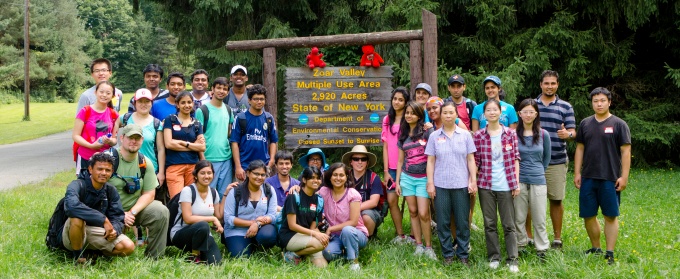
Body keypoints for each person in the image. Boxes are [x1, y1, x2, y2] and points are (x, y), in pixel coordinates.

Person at [574, 87, 631, 265]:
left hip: (610, 178)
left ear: (609, 102)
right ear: (592, 103)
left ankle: (610, 252)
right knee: (588, 215)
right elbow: (580, 148)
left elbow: (626, 151)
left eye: (602, 101)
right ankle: (596, 248)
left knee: (610, 216)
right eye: (595, 101)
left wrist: (624, 176)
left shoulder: (619, 124)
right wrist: (577, 172)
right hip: (588, 177)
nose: (599, 104)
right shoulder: (585, 123)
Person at [425, 101, 477, 266]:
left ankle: (463, 254)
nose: (448, 115)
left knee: (462, 222)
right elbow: (431, 161)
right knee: (443, 222)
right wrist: (430, 183)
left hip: (461, 184)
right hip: (441, 185)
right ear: (441, 115)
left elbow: (470, 159)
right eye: (445, 113)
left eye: (450, 112)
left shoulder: (465, 135)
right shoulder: (434, 136)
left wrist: (473, 181)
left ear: (456, 115)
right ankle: (447, 254)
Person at [107, 124, 169, 259]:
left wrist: (131, 213)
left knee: (161, 211)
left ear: (142, 140)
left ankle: (155, 257)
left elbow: (149, 194)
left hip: (133, 210)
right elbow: (96, 193)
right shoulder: (108, 159)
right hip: (108, 210)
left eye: (137, 138)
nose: (134, 141)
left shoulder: (145, 163)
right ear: (122, 138)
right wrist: (120, 214)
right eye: (130, 138)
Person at [473, 99, 520, 273]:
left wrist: (516, 183)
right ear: (484, 115)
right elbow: (475, 161)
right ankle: (494, 257)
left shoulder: (510, 133)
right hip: (486, 185)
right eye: (489, 110)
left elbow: (516, 158)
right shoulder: (478, 135)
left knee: (509, 224)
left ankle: (513, 259)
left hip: (506, 184)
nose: (492, 112)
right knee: (489, 223)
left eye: (495, 110)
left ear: (501, 113)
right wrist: (473, 180)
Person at [62, 152, 135, 265]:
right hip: (71, 232)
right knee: (77, 218)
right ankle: (78, 258)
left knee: (128, 247)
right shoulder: (77, 185)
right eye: (99, 169)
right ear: (90, 169)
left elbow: (118, 216)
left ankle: (94, 253)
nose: (103, 173)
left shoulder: (111, 190)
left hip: (95, 232)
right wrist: (103, 219)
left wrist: (115, 230)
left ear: (112, 172)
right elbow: (71, 207)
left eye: (107, 170)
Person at [535, 70, 576, 249]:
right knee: (530, 200)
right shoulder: (532, 106)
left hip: (557, 159)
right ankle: (529, 237)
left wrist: (568, 134)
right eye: (546, 83)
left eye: (553, 83)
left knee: (556, 199)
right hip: (533, 161)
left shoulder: (565, 107)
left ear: (557, 85)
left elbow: (573, 131)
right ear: (541, 85)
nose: (549, 86)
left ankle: (557, 238)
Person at [395, 102, 436, 260]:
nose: (409, 115)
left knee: (424, 213)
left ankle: (428, 246)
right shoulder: (403, 135)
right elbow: (400, 161)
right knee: (412, 212)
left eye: (412, 113)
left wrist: (430, 128)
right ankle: (418, 245)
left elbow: (433, 155)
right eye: (407, 113)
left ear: (419, 115)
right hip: (407, 178)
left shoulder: (426, 132)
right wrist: (398, 182)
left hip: (423, 179)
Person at [513, 99, 551, 259]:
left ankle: (541, 248)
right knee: (519, 217)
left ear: (536, 114)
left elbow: (546, 158)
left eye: (531, 112)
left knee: (539, 217)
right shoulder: (513, 134)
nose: (528, 115)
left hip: (538, 180)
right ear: (519, 114)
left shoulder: (543, 134)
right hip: (518, 181)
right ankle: (520, 245)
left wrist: (538, 172)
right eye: (524, 112)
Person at [170, 160, 224, 265]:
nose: (206, 176)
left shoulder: (213, 192)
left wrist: (226, 194)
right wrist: (212, 219)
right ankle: (194, 256)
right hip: (181, 234)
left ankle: (195, 250)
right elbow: (188, 218)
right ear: (195, 175)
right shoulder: (188, 191)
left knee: (215, 262)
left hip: (204, 235)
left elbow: (219, 216)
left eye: (209, 173)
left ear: (213, 174)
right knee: (203, 225)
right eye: (202, 173)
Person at [223, 160, 278, 257]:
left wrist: (257, 224)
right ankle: (241, 244)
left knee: (269, 236)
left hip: (261, 227)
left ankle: (258, 244)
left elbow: (273, 215)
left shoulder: (269, 190)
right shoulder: (236, 191)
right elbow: (228, 218)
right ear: (248, 173)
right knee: (240, 256)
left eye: (262, 175)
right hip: (237, 230)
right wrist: (251, 223)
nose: (259, 177)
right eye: (256, 174)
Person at [319, 163, 369, 271]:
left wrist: (331, 228)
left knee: (347, 230)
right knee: (328, 253)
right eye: (335, 175)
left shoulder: (352, 194)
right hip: (336, 236)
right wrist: (298, 188)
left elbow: (353, 222)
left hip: (355, 233)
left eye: (341, 175)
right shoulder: (324, 191)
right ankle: (346, 256)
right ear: (330, 176)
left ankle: (354, 263)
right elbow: (308, 195)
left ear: (346, 177)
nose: (338, 178)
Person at [279, 166, 329, 267]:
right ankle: (291, 254)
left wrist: (323, 236)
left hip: (306, 236)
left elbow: (313, 227)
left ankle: (298, 255)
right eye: (312, 178)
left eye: (318, 178)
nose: (316, 181)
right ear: (304, 180)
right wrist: (316, 235)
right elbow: (292, 225)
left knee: (323, 267)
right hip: (289, 236)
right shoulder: (294, 196)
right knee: (319, 244)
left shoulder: (319, 200)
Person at [381, 87, 413, 244]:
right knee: (392, 200)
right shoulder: (387, 119)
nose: (397, 102)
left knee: (412, 202)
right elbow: (385, 147)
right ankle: (400, 235)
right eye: (395, 98)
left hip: (409, 166)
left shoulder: (410, 118)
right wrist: (386, 171)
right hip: (392, 169)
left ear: (406, 102)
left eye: (401, 100)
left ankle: (414, 236)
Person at [230, 84, 278, 181]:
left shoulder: (269, 118)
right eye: (256, 99)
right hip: (245, 167)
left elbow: (273, 141)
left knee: (263, 195)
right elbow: (234, 142)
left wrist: (272, 160)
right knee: (243, 195)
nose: (259, 102)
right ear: (249, 100)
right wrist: (238, 167)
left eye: (262, 99)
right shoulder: (241, 118)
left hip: (263, 167)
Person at [196, 77, 235, 197]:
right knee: (208, 193)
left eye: (224, 89)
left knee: (224, 194)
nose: (221, 91)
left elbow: (229, 133)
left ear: (228, 92)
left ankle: (221, 216)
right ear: (212, 89)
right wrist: (202, 159)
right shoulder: (202, 110)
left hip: (226, 158)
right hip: (209, 158)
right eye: (218, 88)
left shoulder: (228, 110)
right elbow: (198, 137)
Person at [162, 91, 206, 198]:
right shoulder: (170, 120)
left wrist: (183, 143)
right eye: (183, 103)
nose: (187, 105)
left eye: (189, 102)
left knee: (191, 200)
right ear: (177, 104)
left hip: (193, 167)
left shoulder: (197, 123)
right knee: (177, 200)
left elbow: (202, 147)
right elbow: (168, 144)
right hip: (174, 167)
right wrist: (192, 146)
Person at [73, 81, 120, 175]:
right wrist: (91, 146)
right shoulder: (85, 111)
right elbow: (75, 136)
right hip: (85, 156)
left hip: (105, 159)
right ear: (95, 93)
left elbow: (114, 139)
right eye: (101, 92)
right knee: (85, 186)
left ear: (112, 96)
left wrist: (110, 141)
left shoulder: (114, 114)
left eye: (108, 93)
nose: (104, 95)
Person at [342, 145, 384, 238]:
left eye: (363, 159)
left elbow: (374, 202)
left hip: (368, 211)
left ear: (367, 162)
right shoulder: (343, 176)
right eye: (356, 159)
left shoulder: (374, 177)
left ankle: (367, 237)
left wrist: (354, 209)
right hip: (345, 209)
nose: (360, 162)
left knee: (366, 216)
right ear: (351, 162)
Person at [121, 88, 165, 175]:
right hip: (127, 167)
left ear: (151, 104)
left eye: (147, 101)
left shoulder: (156, 123)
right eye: (140, 101)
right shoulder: (125, 118)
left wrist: (161, 173)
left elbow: (161, 149)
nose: (143, 104)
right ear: (134, 104)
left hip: (149, 169)